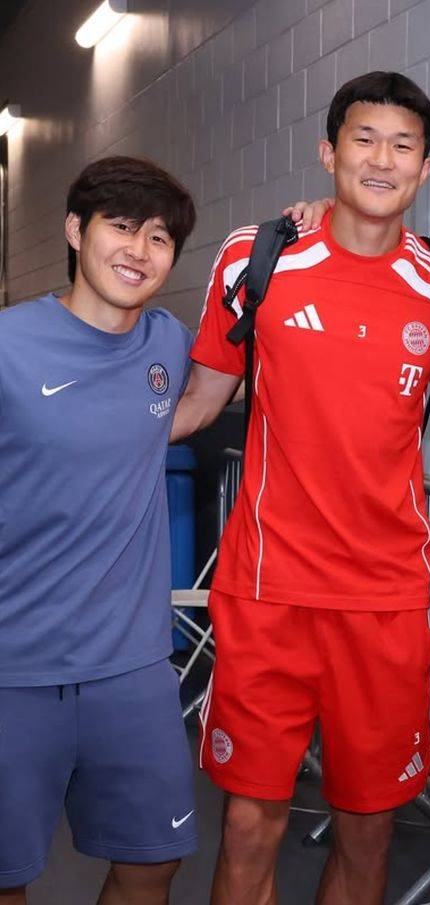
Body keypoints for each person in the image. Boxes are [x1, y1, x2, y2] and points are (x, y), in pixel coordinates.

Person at [171, 71, 430, 904]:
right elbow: (199, 400)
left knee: (368, 830)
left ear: (425, 167)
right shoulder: (258, 257)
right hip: (267, 591)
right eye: (363, 139)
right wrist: (77, 432)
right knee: (248, 825)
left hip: (384, 603)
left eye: (402, 145)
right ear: (328, 152)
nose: (382, 159)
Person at [0, 156, 201, 905]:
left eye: (159, 237)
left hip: (132, 668)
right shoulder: (9, 344)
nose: (139, 250)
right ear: (75, 230)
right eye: (121, 226)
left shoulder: (167, 343)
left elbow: (202, 400)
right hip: (13, 666)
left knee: (154, 864)